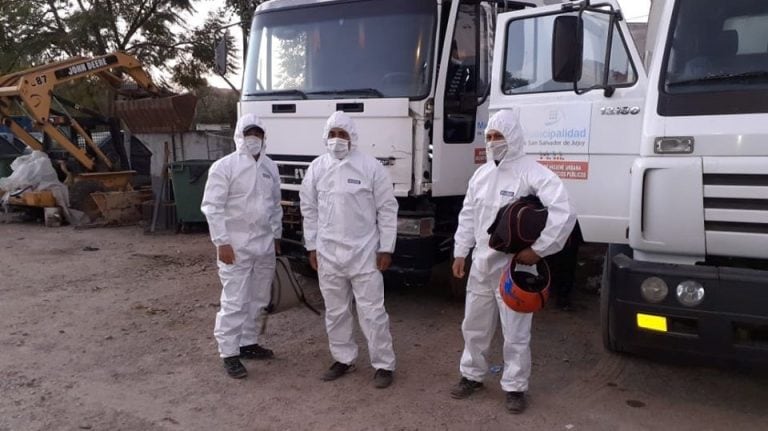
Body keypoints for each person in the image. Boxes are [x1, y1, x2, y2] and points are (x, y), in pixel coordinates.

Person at [450, 108, 577, 414]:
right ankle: (472, 375)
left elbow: (565, 211)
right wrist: (459, 251)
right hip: (481, 266)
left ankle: (515, 387)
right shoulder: (481, 175)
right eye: (490, 136)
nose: (494, 142)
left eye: (499, 136)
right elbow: (468, 216)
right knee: (474, 326)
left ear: (514, 137)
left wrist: (541, 249)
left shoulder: (532, 172)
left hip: (514, 269)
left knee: (516, 333)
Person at [299, 111, 398, 389]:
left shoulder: (370, 167)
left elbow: (388, 209)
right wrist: (312, 246)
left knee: (372, 312)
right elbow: (309, 209)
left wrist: (386, 248)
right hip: (328, 254)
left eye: (342, 134)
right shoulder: (317, 168)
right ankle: (343, 358)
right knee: (336, 311)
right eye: (332, 134)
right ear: (325, 137)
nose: (337, 140)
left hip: (364, 253)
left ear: (352, 138)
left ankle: (383, 364)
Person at [200, 113, 282, 379]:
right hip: (234, 246)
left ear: (264, 137)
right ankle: (229, 353)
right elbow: (212, 208)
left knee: (258, 298)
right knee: (235, 300)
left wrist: (276, 237)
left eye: (257, 134)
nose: (253, 139)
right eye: (249, 133)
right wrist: (221, 242)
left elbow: (275, 206)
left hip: (264, 245)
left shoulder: (270, 167)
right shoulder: (224, 167)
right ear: (239, 135)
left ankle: (248, 343)